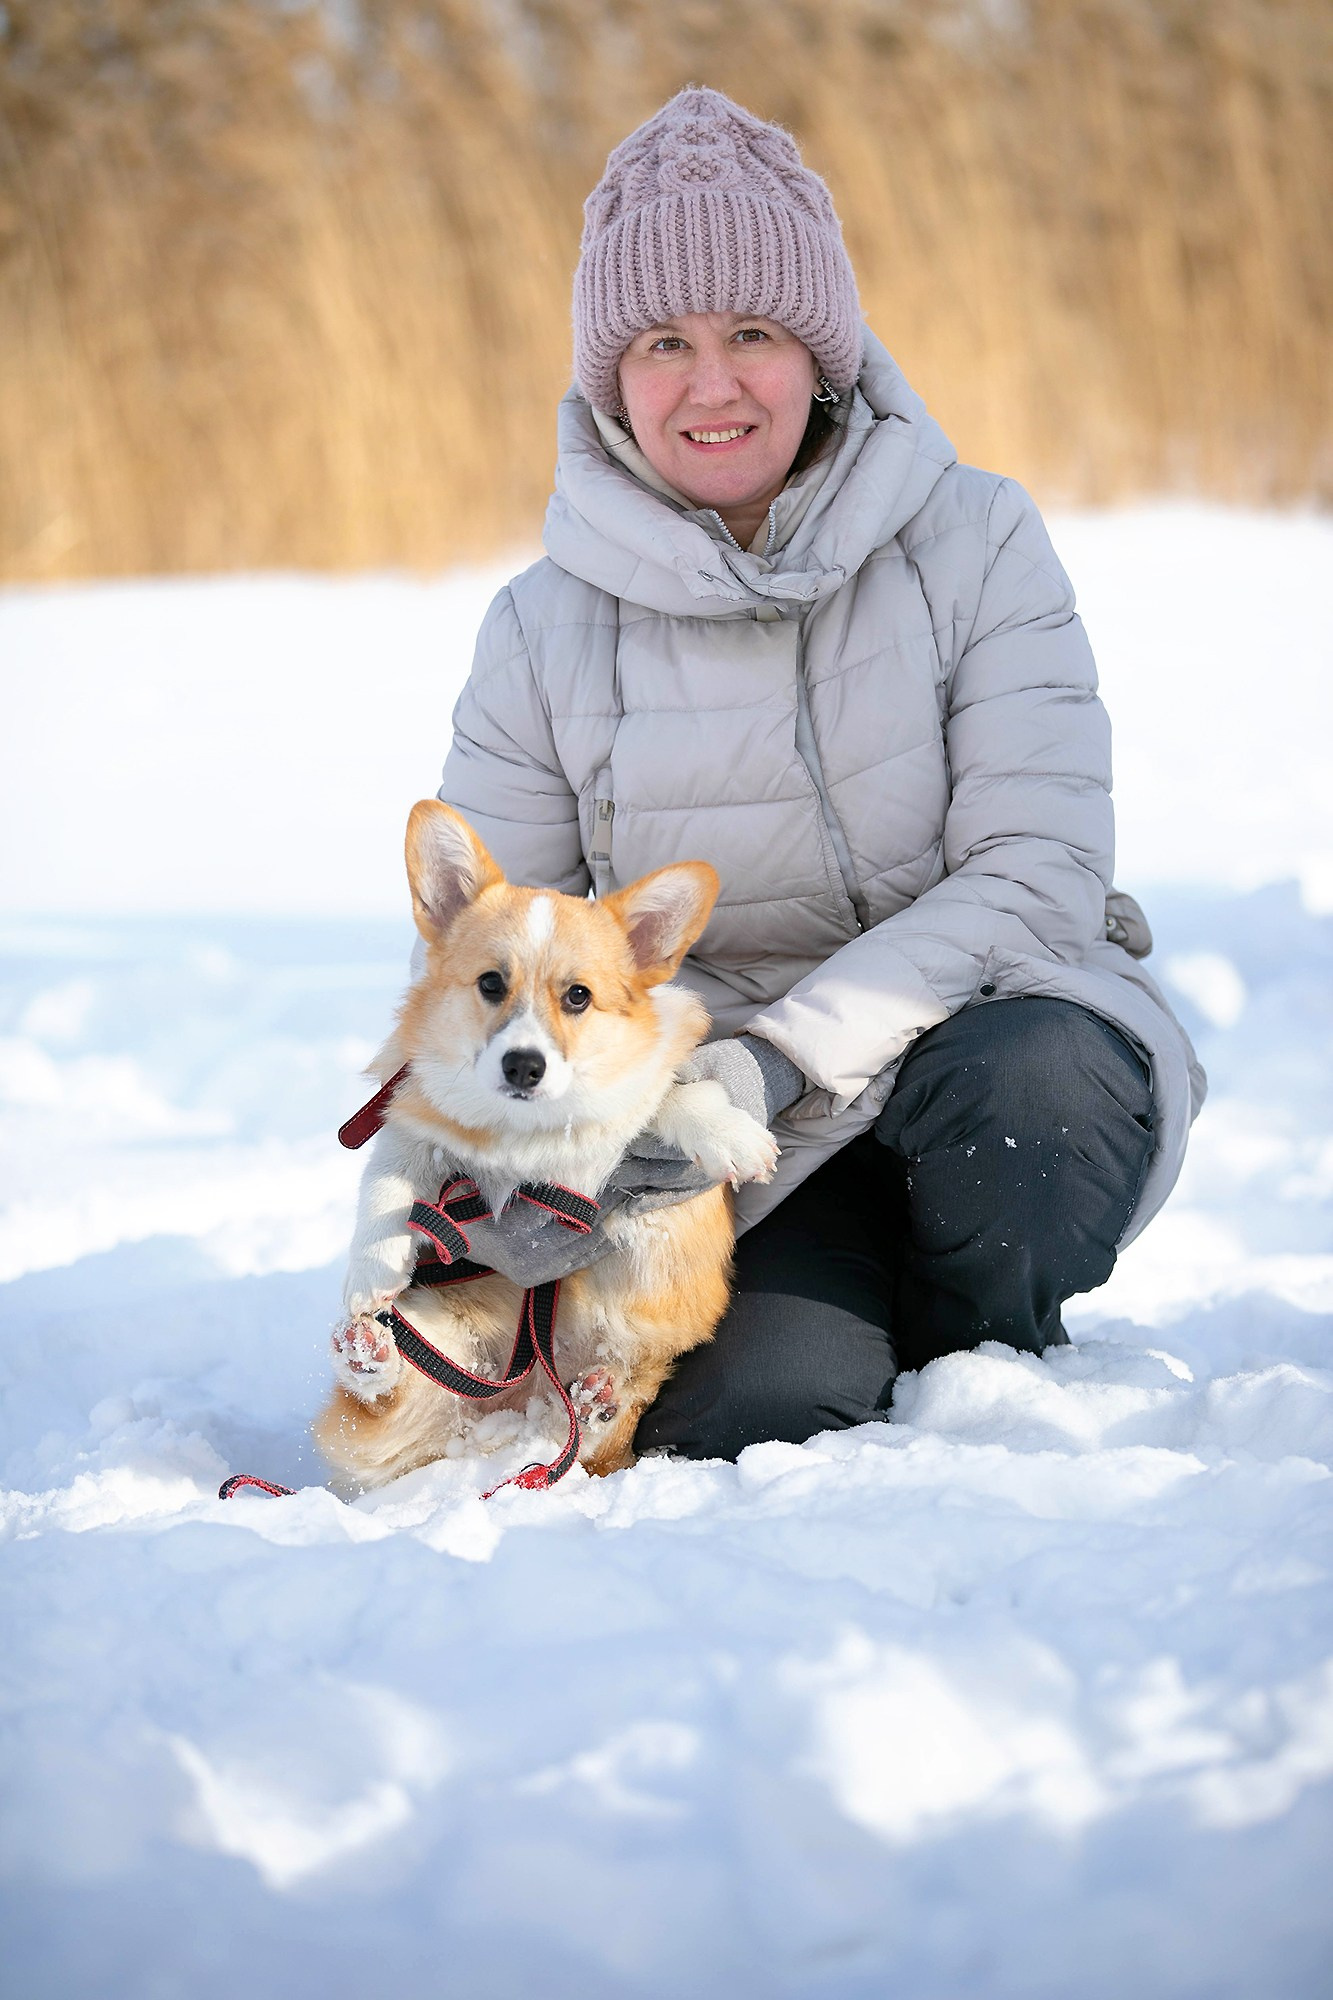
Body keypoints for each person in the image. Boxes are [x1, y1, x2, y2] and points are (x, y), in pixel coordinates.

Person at [435, 86, 1206, 1461]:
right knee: (755, 1410)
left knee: (1037, 1092)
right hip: (720, 1137)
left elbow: (1039, 869)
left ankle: (984, 1338)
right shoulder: (538, 629)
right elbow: (500, 960)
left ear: (822, 350)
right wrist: (466, 1211)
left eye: (752, 332)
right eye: (663, 341)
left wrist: (777, 1058)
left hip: (977, 1036)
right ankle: (835, 1308)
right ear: (611, 375)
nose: (710, 382)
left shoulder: (974, 538)